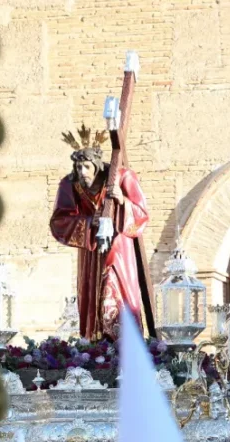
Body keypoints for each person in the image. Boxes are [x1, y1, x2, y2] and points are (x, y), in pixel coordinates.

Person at [49, 125, 150, 341]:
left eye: (86, 166)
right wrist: (87, 222)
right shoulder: (71, 184)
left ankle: (123, 339)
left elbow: (142, 214)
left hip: (118, 249)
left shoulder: (122, 177)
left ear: (96, 165)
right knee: (91, 294)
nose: (82, 172)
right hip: (91, 249)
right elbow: (59, 220)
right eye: (78, 167)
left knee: (115, 287)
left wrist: (122, 201)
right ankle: (95, 343)